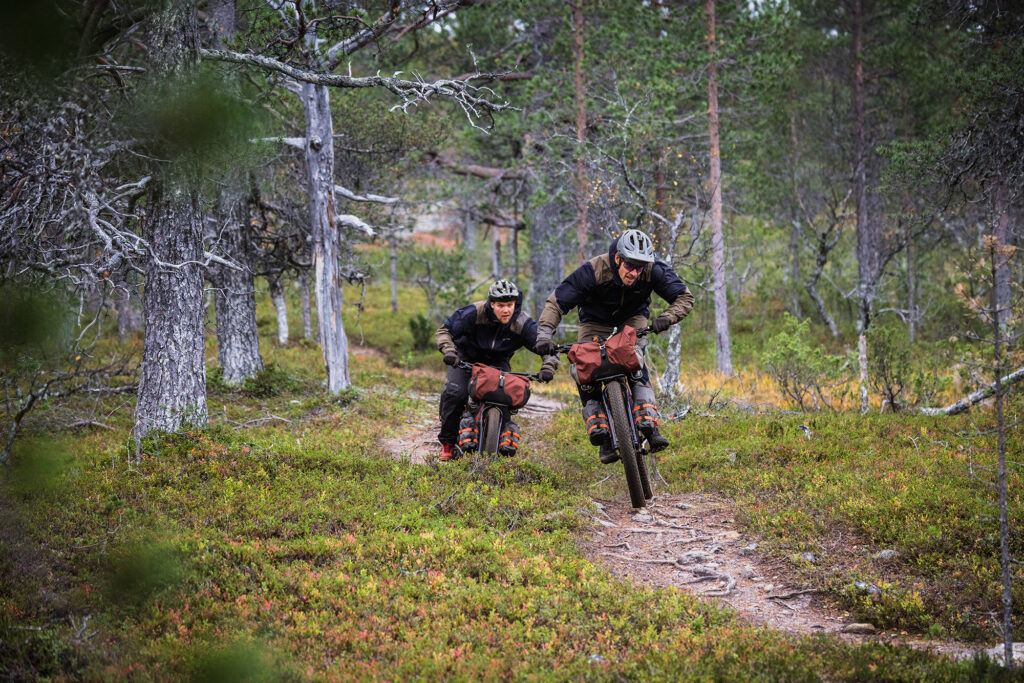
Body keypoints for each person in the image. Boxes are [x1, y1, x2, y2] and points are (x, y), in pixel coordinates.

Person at [534, 229, 694, 463]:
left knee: (633, 357)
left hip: (633, 316)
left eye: (640, 268)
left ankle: (650, 423)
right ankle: (602, 434)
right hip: (595, 320)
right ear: (618, 258)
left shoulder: (651, 269)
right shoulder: (594, 270)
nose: (635, 273)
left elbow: (685, 297)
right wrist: (545, 334)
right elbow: (556, 302)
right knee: (586, 367)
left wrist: (666, 318)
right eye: (630, 266)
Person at [435, 279, 559, 461]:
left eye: (509, 305)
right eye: (500, 305)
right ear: (491, 304)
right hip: (465, 358)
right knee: (456, 393)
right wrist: (449, 351)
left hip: (498, 362)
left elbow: (546, 346)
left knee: (504, 395)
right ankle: (447, 444)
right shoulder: (473, 313)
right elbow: (444, 331)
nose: (506, 310)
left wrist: (548, 366)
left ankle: (502, 435)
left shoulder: (522, 323)